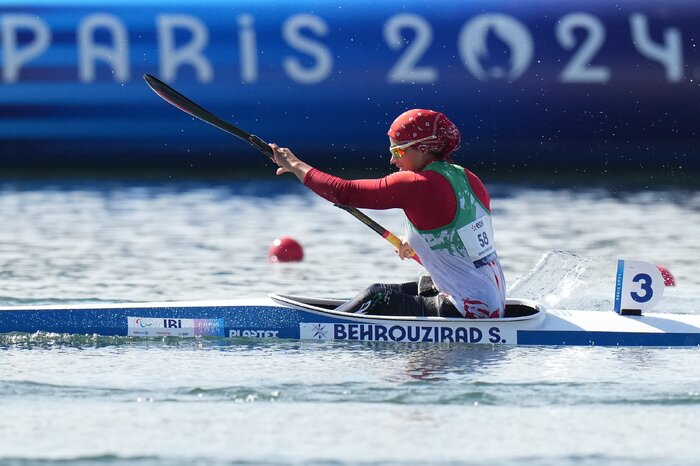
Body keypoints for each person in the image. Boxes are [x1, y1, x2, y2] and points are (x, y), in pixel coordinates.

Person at [270, 109, 506, 318]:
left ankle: (315, 327)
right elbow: (466, 251)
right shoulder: (468, 178)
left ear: (423, 148)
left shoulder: (417, 184)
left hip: (470, 310)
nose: (393, 159)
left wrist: (294, 165)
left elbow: (343, 192)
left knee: (376, 295)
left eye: (399, 150)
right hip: (491, 302)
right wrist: (420, 247)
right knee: (403, 290)